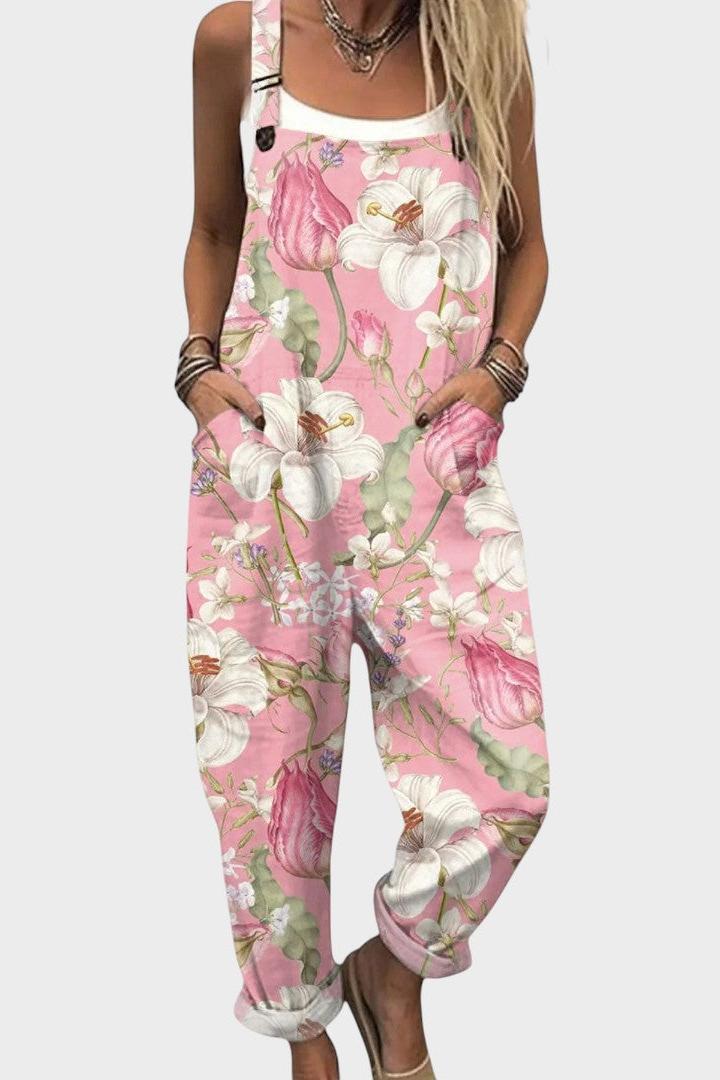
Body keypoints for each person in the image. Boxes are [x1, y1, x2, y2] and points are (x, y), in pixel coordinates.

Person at [180, 2, 549, 1076]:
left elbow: (526, 245)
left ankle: (392, 970)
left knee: (506, 782)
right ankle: (305, 1040)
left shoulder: (480, 50)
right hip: (270, 470)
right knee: (267, 777)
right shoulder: (239, 41)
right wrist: (197, 371)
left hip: (431, 476)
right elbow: (214, 230)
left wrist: (500, 373)